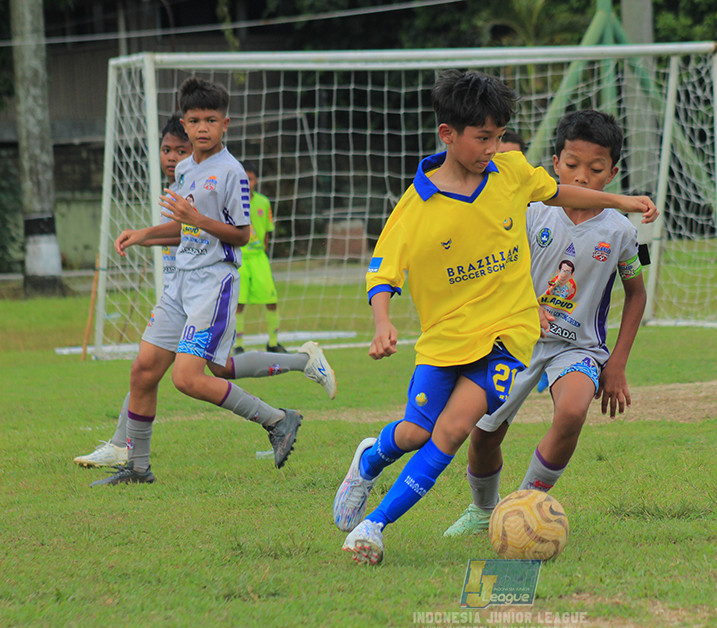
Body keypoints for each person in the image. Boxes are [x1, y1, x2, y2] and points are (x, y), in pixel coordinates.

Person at [331, 71, 657, 565]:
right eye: (484, 137)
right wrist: (382, 322)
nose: (494, 146)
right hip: (447, 340)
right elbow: (383, 270)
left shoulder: (512, 174)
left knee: (454, 431)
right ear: (449, 135)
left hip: (514, 338)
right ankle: (372, 457)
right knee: (422, 432)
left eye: (499, 136)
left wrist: (622, 201)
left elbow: (560, 194)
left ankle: (375, 528)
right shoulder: (419, 204)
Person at [75, 118, 336, 469]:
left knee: (196, 372)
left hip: (209, 290)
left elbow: (223, 233)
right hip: (181, 292)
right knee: (160, 368)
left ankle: (278, 413)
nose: (172, 157)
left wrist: (162, 231)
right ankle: (127, 450)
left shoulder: (219, 178)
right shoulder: (184, 181)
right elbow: (184, 233)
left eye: (179, 150)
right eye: (167, 150)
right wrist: (144, 234)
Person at [443, 109, 647, 536]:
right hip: (515, 340)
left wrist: (618, 363)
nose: (582, 176)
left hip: (578, 348)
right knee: (483, 435)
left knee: (572, 411)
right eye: (571, 165)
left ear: (613, 172)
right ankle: (483, 510)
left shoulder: (622, 232)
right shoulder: (533, 213)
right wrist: (523, 307)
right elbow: (500, 269)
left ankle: (523, 505)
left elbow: (636, 294)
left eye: (595, 168)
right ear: (554, 164)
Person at [233, 166, 285, 354]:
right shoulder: (232, 202)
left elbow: (267, 232)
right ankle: (238, 345)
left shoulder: (263, 203)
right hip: (240, 258)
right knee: (239, 302)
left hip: (259, 258)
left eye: (251, 179)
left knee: (272, 299)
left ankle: (273, 343)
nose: (247, 183)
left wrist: (265, 251)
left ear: (256, 181)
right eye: (244, 179)